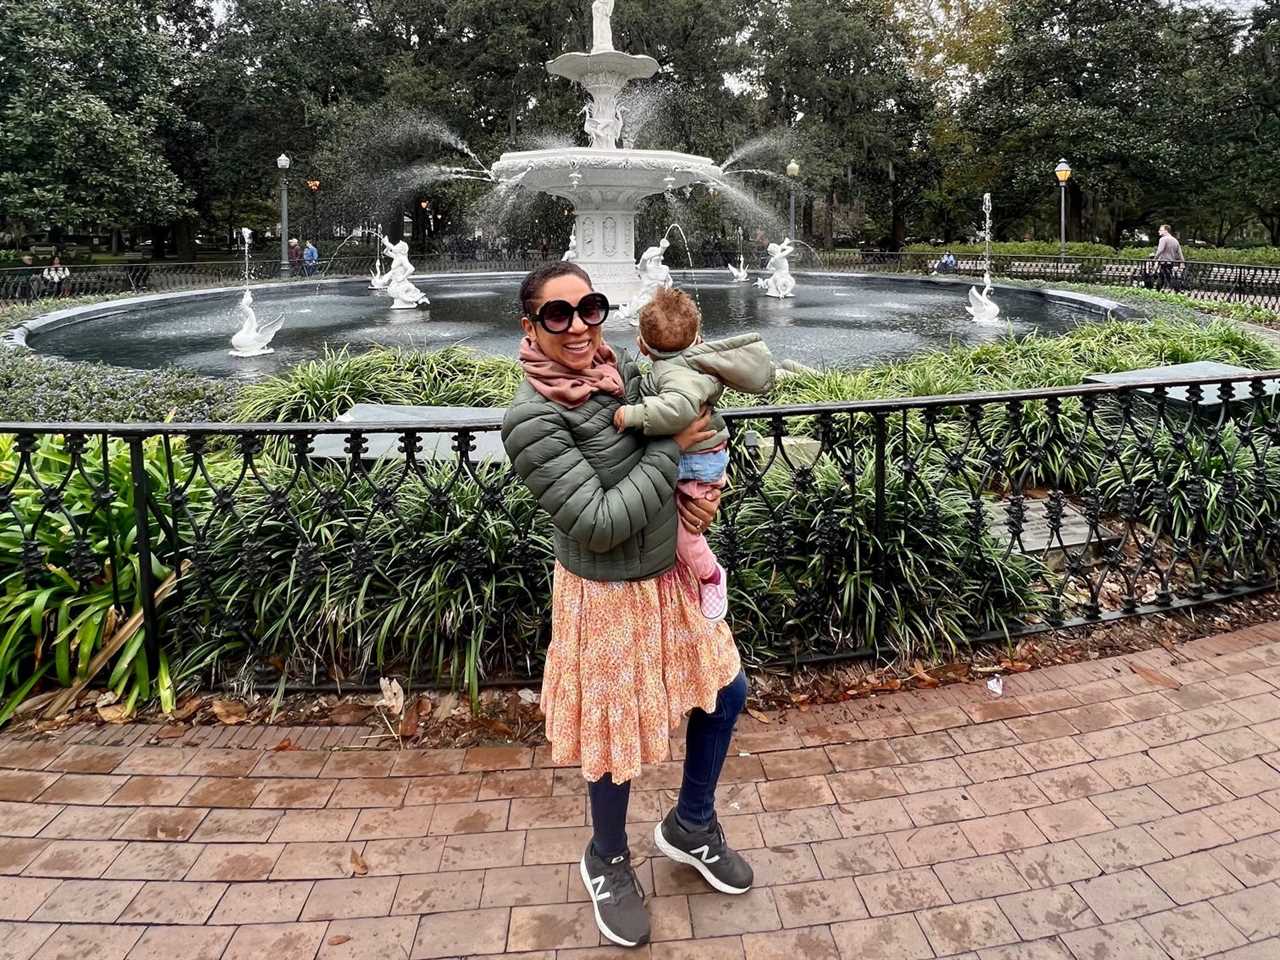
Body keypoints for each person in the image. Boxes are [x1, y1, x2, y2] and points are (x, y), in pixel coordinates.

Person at [502, 262, 753, 949]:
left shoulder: (627, 375)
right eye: (558, 314)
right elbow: (601, 519)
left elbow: (698, 405)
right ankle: (606, 859)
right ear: (532, 327)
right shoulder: (531, 419)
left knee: (726, 693)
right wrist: (673, 448)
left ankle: (691, 824)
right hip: (606, 591)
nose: (579, 324)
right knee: (614, 740)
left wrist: (700, 476)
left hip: (665, 574)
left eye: (589, 307)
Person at [613, 287, 801, 620]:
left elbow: (681, 410)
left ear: (641, 345)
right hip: (698, 458)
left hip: (695, 464)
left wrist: (634, 415)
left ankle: (710, 575)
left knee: (685, 533)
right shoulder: (689, 364)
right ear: (698, 338)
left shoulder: (673, 373)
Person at [1151, 224, 1184, 291]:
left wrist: (1154, 259)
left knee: (1167, 277)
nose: (1158, 231)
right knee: (1163, 277)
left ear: (1166, 231)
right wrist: (1182, 262)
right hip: (1171, 262)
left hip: (1164, 261)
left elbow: (1160, 250)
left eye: (1160, 230)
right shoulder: (1175, 240)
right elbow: (1180, 253)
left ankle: (1178, 290)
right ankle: (1158, 291)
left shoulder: (1163, 239)